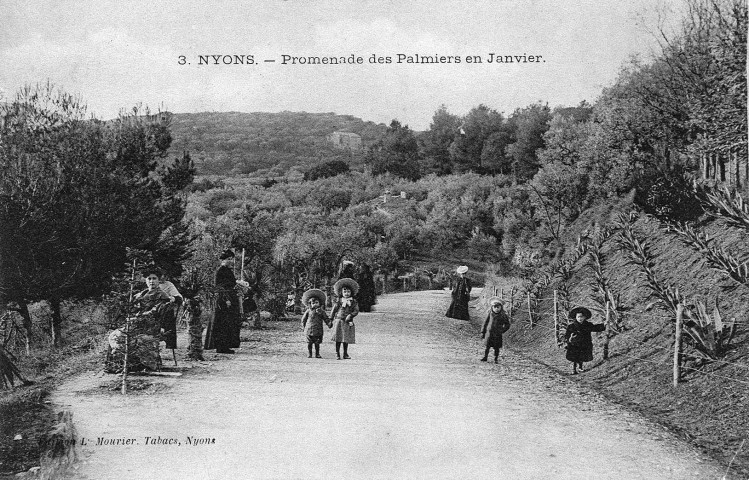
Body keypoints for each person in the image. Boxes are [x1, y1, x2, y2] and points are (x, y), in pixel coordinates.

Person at [105, 267, 171, 373]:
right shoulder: (141, 294)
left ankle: (134, 364)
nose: (151, 281)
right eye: (149, 279)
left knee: (120, 336)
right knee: (114, 335)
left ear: (159, 280)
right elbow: (131, 309)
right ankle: (119, 364)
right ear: (145, 280)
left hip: (150, 327)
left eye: (154, 278)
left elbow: (154, 312)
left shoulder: (162, 296)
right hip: (137, 325)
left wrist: (135, 318)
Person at [204, 249, 241, 354]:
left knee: (228, 322)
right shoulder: (220, 271)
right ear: (223, 260)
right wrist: (226, 299)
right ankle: (221, 347)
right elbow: (220, 287)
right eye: (229, 259)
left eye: (232, 259)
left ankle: (226, 345)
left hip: (229, 298)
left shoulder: (227, 270)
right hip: (223, 300)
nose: (231, 261)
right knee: (222, 323)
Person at [564, 306, 605, 374]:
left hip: (584, 343)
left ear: (585, 317)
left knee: (582, 356)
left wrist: (604, 325)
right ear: (575, 317)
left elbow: (595, 328)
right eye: (578, 317)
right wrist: (570, 338)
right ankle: (573, 369)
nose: (580, 318)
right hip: (574, 344)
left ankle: (580, 367)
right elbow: (567, 335)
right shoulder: (571, 326)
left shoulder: (587, 325)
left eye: (582, 317)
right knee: (574, 357)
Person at [331, 278, 359, 360]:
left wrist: (351, 315)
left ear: (351, 293)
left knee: (345, 338)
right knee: (338, 337)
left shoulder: (353, 302)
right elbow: (334, 310)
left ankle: (345, 353)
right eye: (345, 291)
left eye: (348, 292)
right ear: (341, 292)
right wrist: (331, 318)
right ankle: (337, 353)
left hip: (347, 321)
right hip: (339, 321)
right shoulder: (339, 301)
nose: (346, 293)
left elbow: (356, 310)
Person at [301, 288, 331, 358]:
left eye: (316, 303)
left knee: (317, 343)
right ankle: (309, 353)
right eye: (313, 303)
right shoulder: (308, 311)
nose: (315, 304)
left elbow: (326, 318)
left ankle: (317, 353)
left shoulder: (321, 311)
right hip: (309, 329)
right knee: (309, 343)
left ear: (320, 303)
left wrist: (329, 323)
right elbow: (303, 319)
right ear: (310, 304)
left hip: (318, 330)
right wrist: (303, 326)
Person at [157, 272, 183, 352]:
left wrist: (173, 298)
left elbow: (178, 297)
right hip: (152, 310)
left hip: (165, 309)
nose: (163, 277)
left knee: (169, 314)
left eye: (165, 275)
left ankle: (170, 346)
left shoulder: (168, 284)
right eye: (161, 275)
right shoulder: (150, 283)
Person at [481, 297, 511, 363]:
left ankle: (496, 358)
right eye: (495, 307)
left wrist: (502, 330)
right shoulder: (490, 314)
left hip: (497, 334)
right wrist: (483, 332)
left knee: (496, 347)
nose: (496, 309)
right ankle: (485, 357)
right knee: (487, 346)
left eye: (498, 307)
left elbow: (507, 324)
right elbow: (485, 323)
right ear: (492, 307)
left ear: (501, 307)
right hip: (489, 333)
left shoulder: (503, 315)